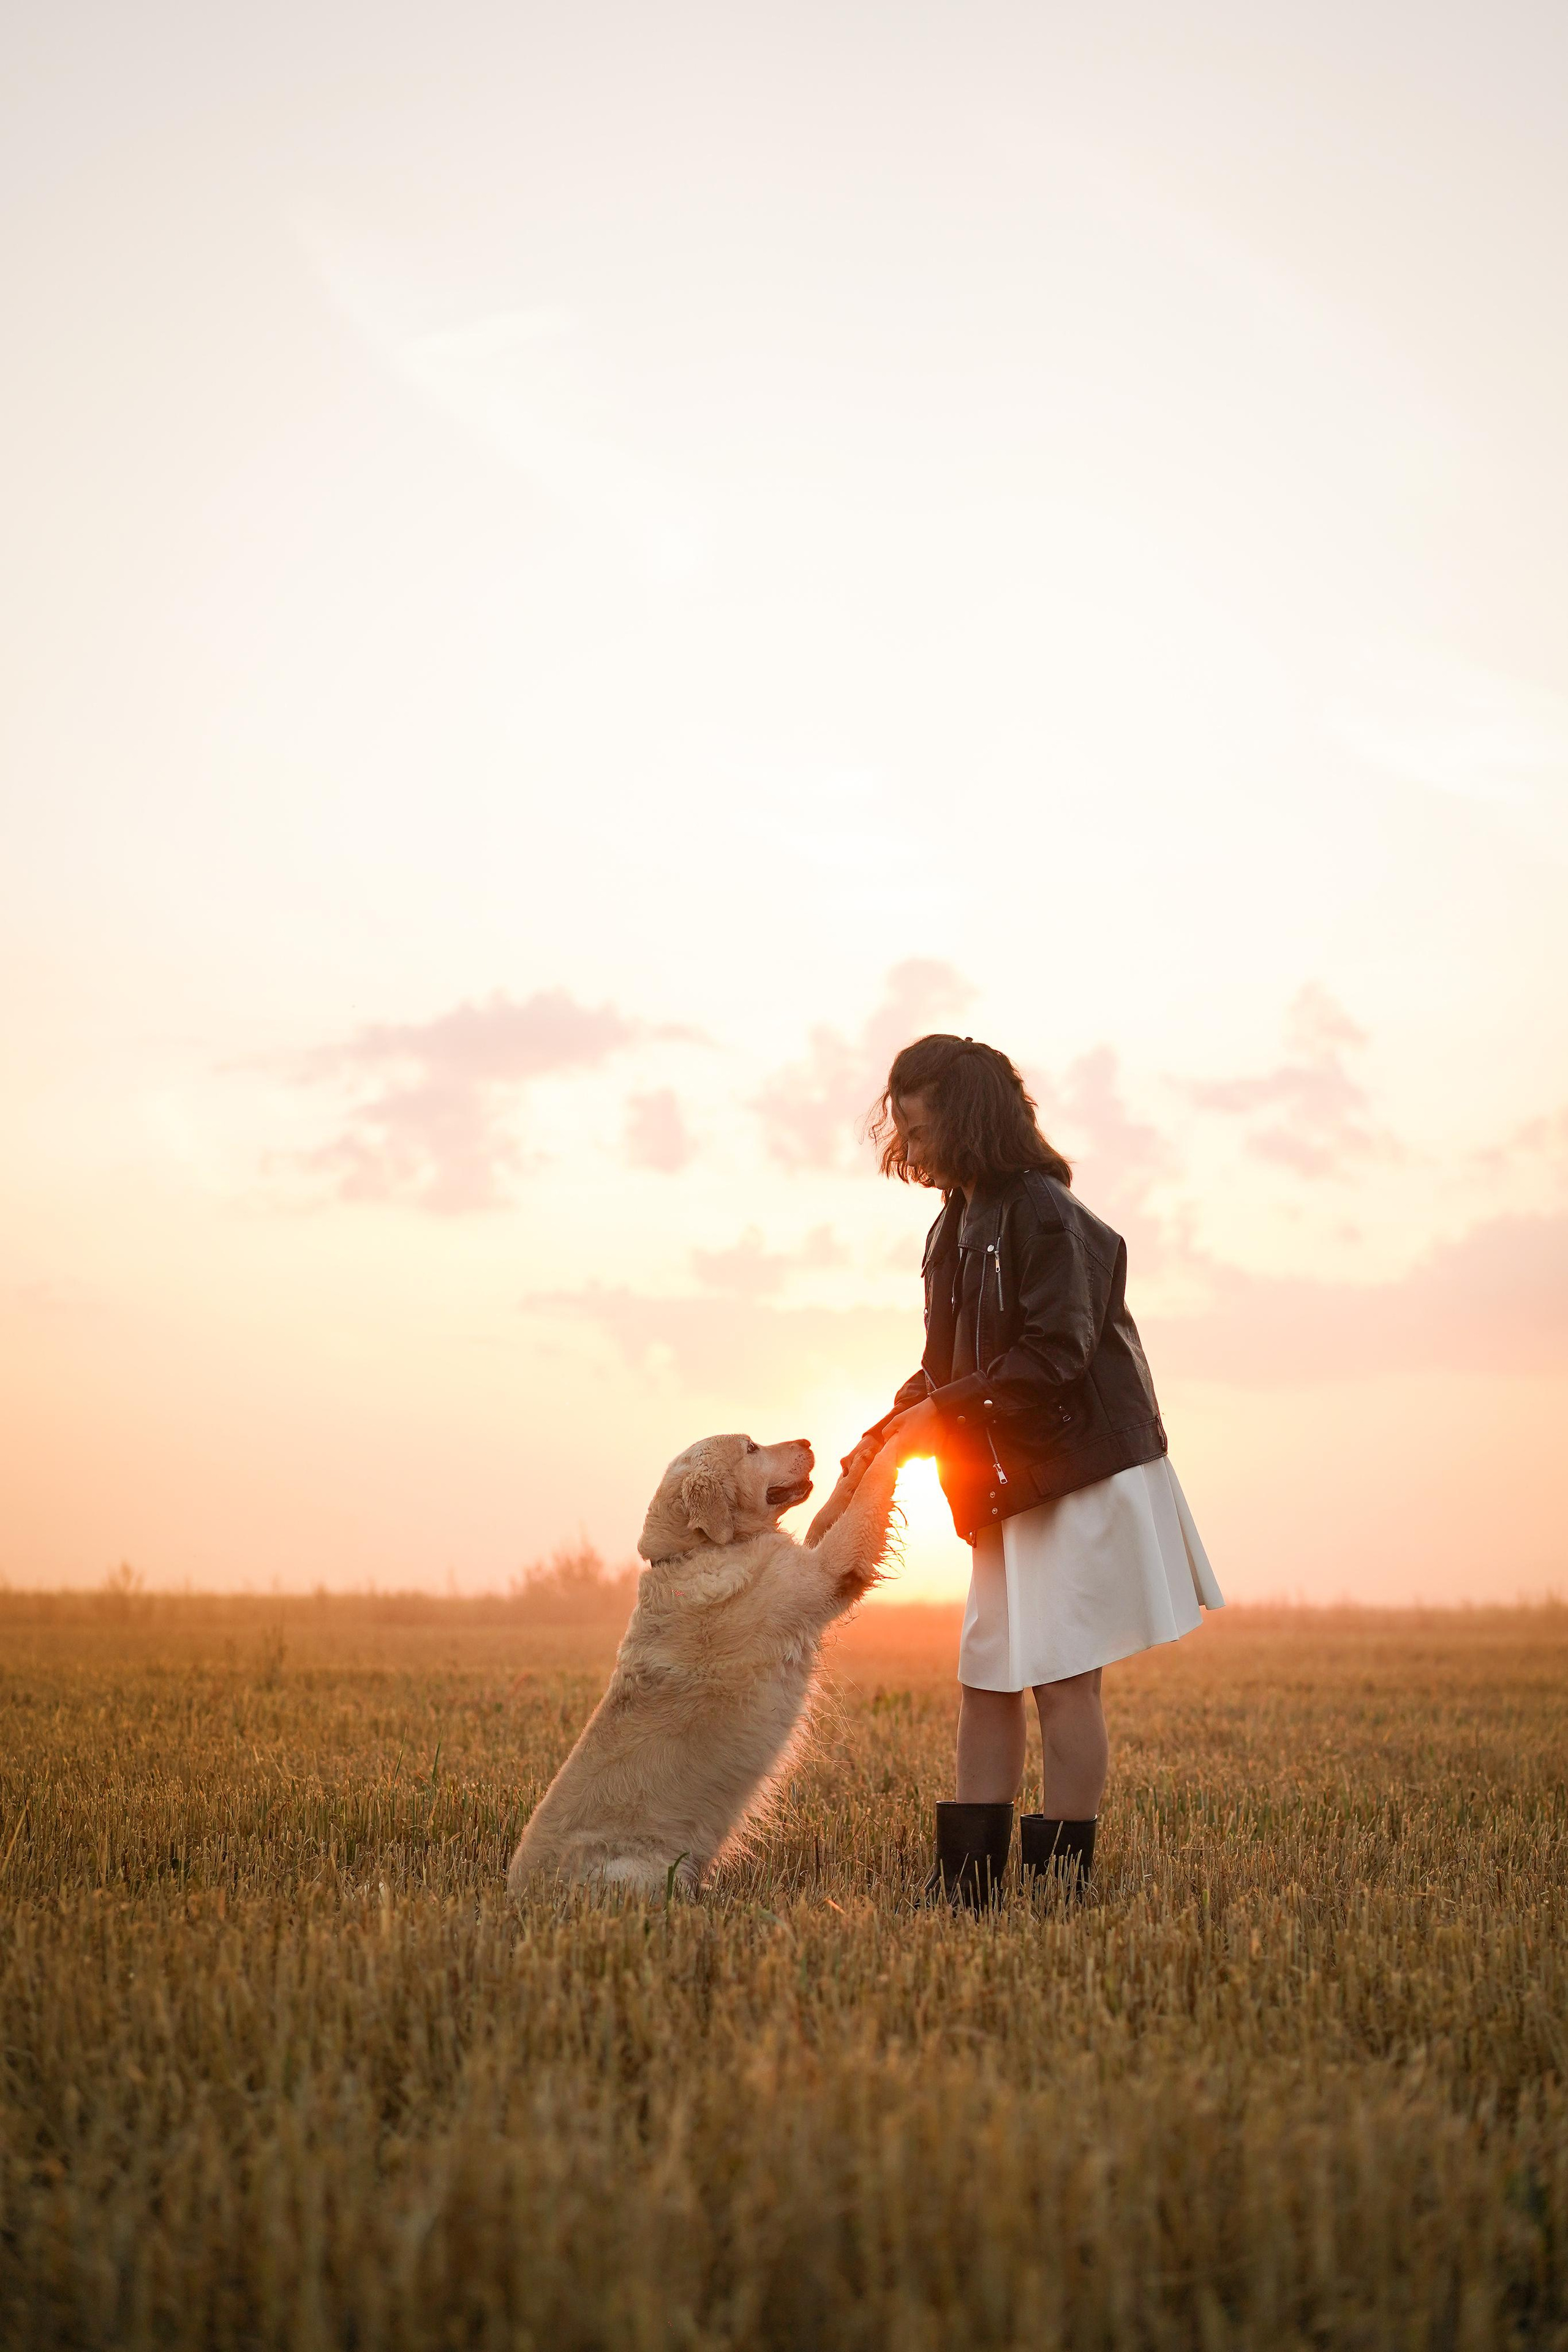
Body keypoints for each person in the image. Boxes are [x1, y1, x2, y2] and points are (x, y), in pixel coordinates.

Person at [839, 1033, 1223, 1905]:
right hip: (1009, 1484)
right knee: (987, 1676)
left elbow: (1056, 1354)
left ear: (968, 1120)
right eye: (901, 1126)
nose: (909, 1147)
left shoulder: (1043, 1211)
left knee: (1061, 1680)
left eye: (920, 1126)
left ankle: (1061, 1889)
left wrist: (936, 1414)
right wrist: (885, 1430)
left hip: (1078, 1478)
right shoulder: (953, 1221)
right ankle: (968, 1886)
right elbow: (943, 1369)